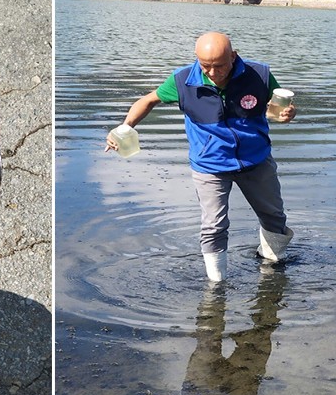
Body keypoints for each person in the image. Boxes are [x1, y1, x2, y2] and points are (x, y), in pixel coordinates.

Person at [105, 32, 296, 281]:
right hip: (210, 164)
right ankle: (216, 285)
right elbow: (148, 100)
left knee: (274, 217)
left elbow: (277, 104)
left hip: (256, 160)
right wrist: (126, 127)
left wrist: (287, 114)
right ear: (197, 60)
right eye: (206, 66)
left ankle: (271, 264)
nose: (213, 73)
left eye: (220, 66)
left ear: (233, 56)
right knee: (214, 226)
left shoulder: (258, 74)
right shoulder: (183, 80)